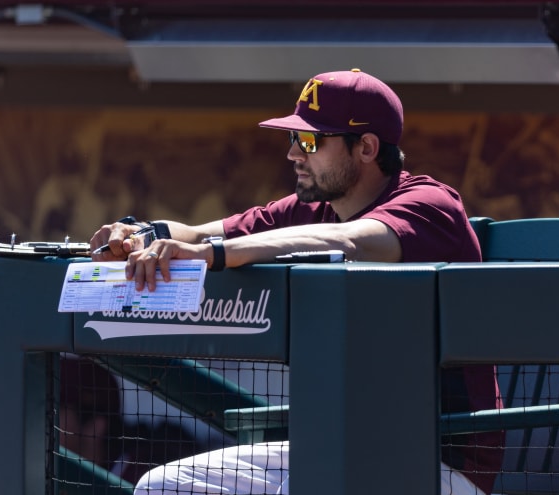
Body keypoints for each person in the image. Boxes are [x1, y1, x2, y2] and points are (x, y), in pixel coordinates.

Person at [90, 68, 504, 495]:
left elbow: (349, 241)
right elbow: (201, 232)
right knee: (164, 486)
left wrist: (213, 255)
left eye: (309, 141)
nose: (293, 153)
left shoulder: (428, 203)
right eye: (293, 138)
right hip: (344, 449)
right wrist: (140, 234)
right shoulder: (318, 207)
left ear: (365, 147)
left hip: (439, 462)